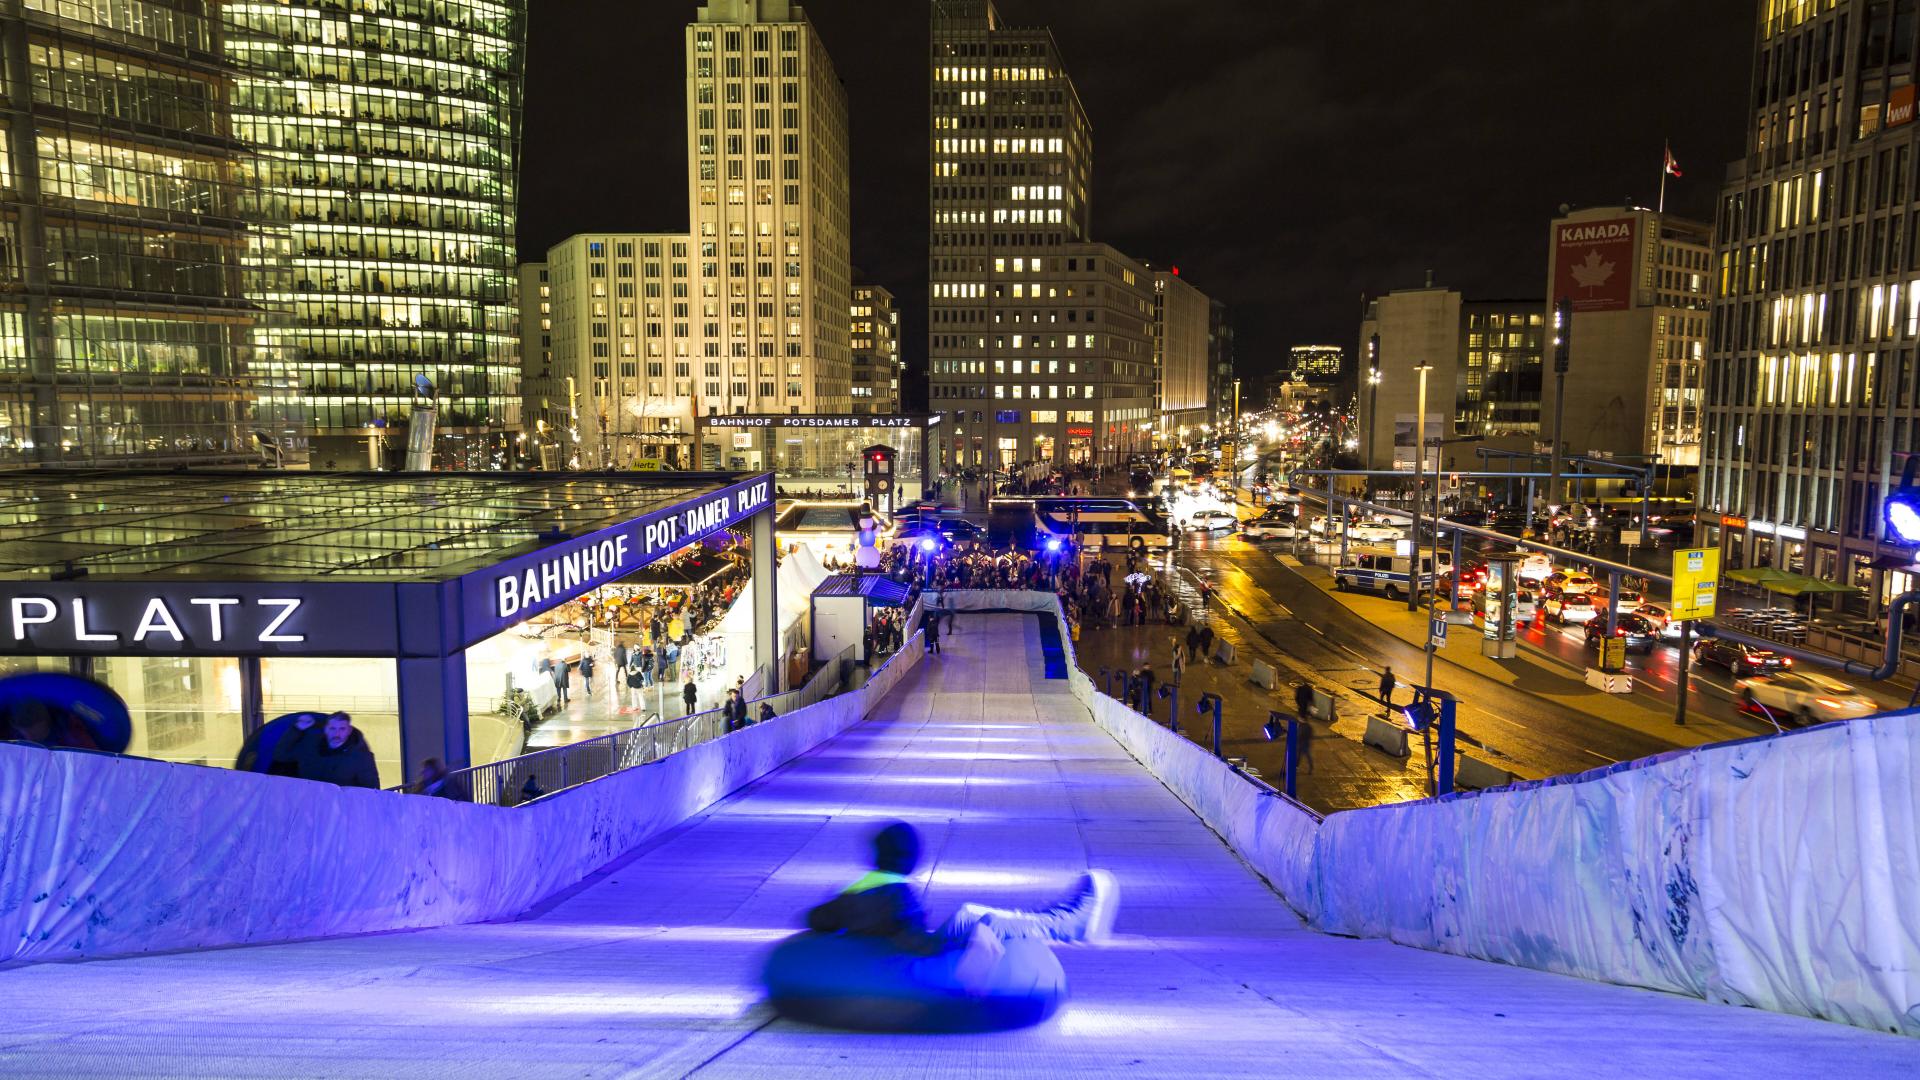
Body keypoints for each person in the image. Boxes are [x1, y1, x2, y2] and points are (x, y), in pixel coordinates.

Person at [806, 822, 1119, 980]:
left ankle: (1062, 921)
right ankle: (1071, 925)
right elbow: (913, 944)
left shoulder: (856, 890)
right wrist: (970, 943)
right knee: (986, 923)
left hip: (881, 947)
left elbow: (816, 919)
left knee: (968, 913)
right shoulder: (898, 896)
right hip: (905, 963)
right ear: (910, 861)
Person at [271, 711, 379, 789]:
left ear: (349, 730)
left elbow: (371, 790)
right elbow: (280, 755)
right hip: (308, 807)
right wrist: (296, 730)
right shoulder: (309, 746)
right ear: (326, 729)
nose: (337, 734)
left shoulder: (361, 757)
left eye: (342, 729)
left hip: (339, 812)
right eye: (332, 728)